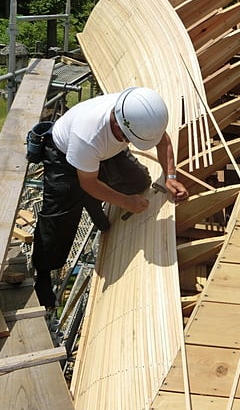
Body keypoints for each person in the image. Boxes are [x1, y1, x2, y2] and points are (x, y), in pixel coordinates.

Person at [30, 86, 189, 309]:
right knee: (58, 220)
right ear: (118, 126)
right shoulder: (88, 135)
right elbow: (88, 182)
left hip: (103, 153)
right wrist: (125, 202)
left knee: (139, 182)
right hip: (64, 158)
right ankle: (43, 274)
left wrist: (170, 176)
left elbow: (163, 141)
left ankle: (93, 200)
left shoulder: (137, 111)